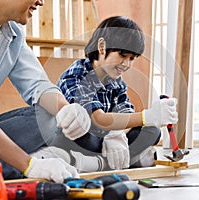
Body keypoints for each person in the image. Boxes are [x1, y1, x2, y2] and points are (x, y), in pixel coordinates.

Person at [0, 0, 91, 183]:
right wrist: (29, 165)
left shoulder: (12, 31)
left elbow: (37, 84)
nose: (41, 2)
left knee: (48, 117)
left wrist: (67, 110)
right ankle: (8, 166)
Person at [55, 16, 183, 170]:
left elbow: (127, 114)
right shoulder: (76, 75)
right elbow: (98, 119)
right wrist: (149, 115)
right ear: (102, 47)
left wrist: (117, 134)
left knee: (152, 131)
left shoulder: (117, 82)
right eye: (123, 56)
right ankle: (118, 159)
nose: (127, 64)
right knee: (86, 138)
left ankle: (101, 162)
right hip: (84, 136)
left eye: (132, 58)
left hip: (105, 136)